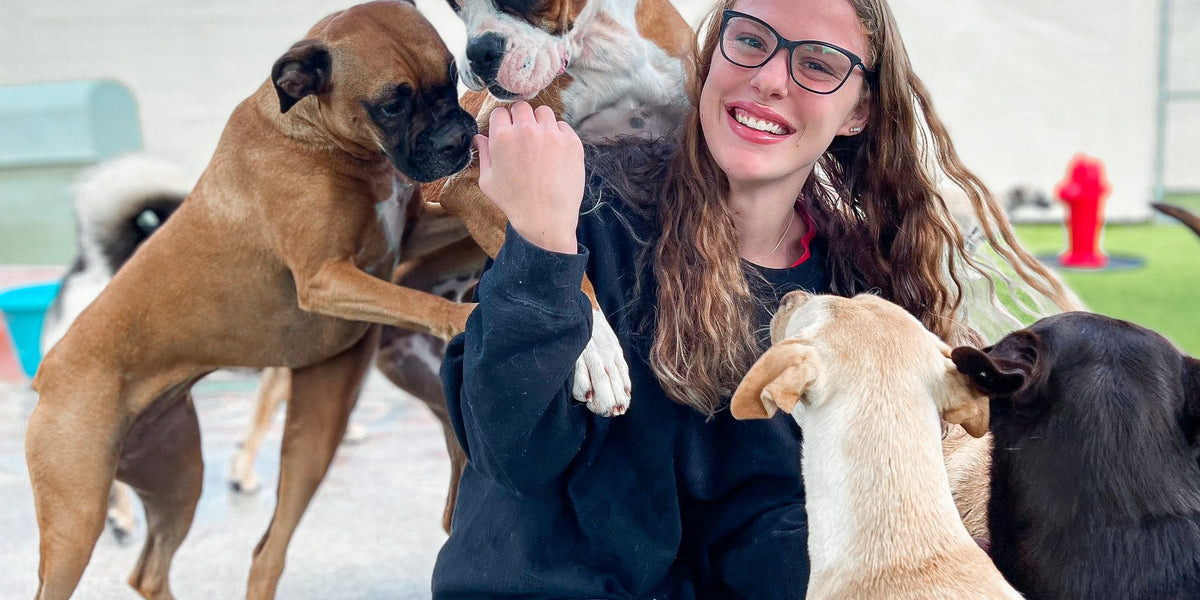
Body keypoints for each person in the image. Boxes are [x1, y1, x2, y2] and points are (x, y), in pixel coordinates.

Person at [431, 0, 1074, 597]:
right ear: (711, 60)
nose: (770, 78)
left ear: (859, 112)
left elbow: (781, 517)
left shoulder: (852, 297)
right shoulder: (583, 205)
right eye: (749, 41)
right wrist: (542, 248)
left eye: (818, 64)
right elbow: (513, 453)